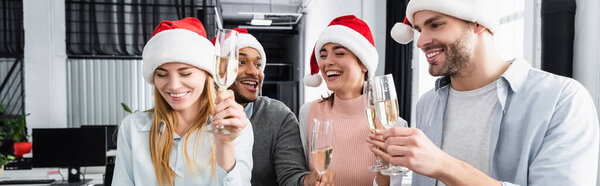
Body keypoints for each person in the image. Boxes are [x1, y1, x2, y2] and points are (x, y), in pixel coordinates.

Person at [368, 0, 599, 185]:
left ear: (478, 22)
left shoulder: (562, 99)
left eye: (436, 25)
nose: (421, 42)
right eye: (419, 30)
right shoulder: (427, 103)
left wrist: (444, 166)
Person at [112, 17, 253, 186]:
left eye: (185, 73)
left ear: (206, 75)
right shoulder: (132, 128)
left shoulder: (236, 127)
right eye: (162, 74)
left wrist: (225, 145)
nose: (174, 85)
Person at [299, 15, 396, 186]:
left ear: (364, 64)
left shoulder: (391, 122)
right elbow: (300, 176)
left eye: (339, 53)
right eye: (323, 55)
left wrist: (386, 164)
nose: (327, 62)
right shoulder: (308, 113)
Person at [224, 28, 311, 186]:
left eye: (258, 64)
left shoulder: (279, 116)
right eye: (241, 62)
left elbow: (291, 176)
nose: (253, 71)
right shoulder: (200, 114)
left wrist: (307, 181)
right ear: (220, 69)